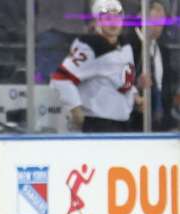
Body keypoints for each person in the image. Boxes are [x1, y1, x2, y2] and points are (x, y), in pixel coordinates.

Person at [50, 0, 140, 132]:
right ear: (98, 21)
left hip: (124, 123)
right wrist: (76, 109)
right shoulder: (90, 47)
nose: (113, 22)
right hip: (99, 125)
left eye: (117, 17)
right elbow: (61, 79)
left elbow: (118, 80)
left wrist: (135, 97)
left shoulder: (126, 45)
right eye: (107, 18)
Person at [127, 0, 175, 131]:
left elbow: (166, 87)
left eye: (161, 23)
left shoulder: (163, 50)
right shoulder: (127, 46)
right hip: (133, 125)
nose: (159, 27)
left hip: (162, 124)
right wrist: (137, 86)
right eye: (155, 22)